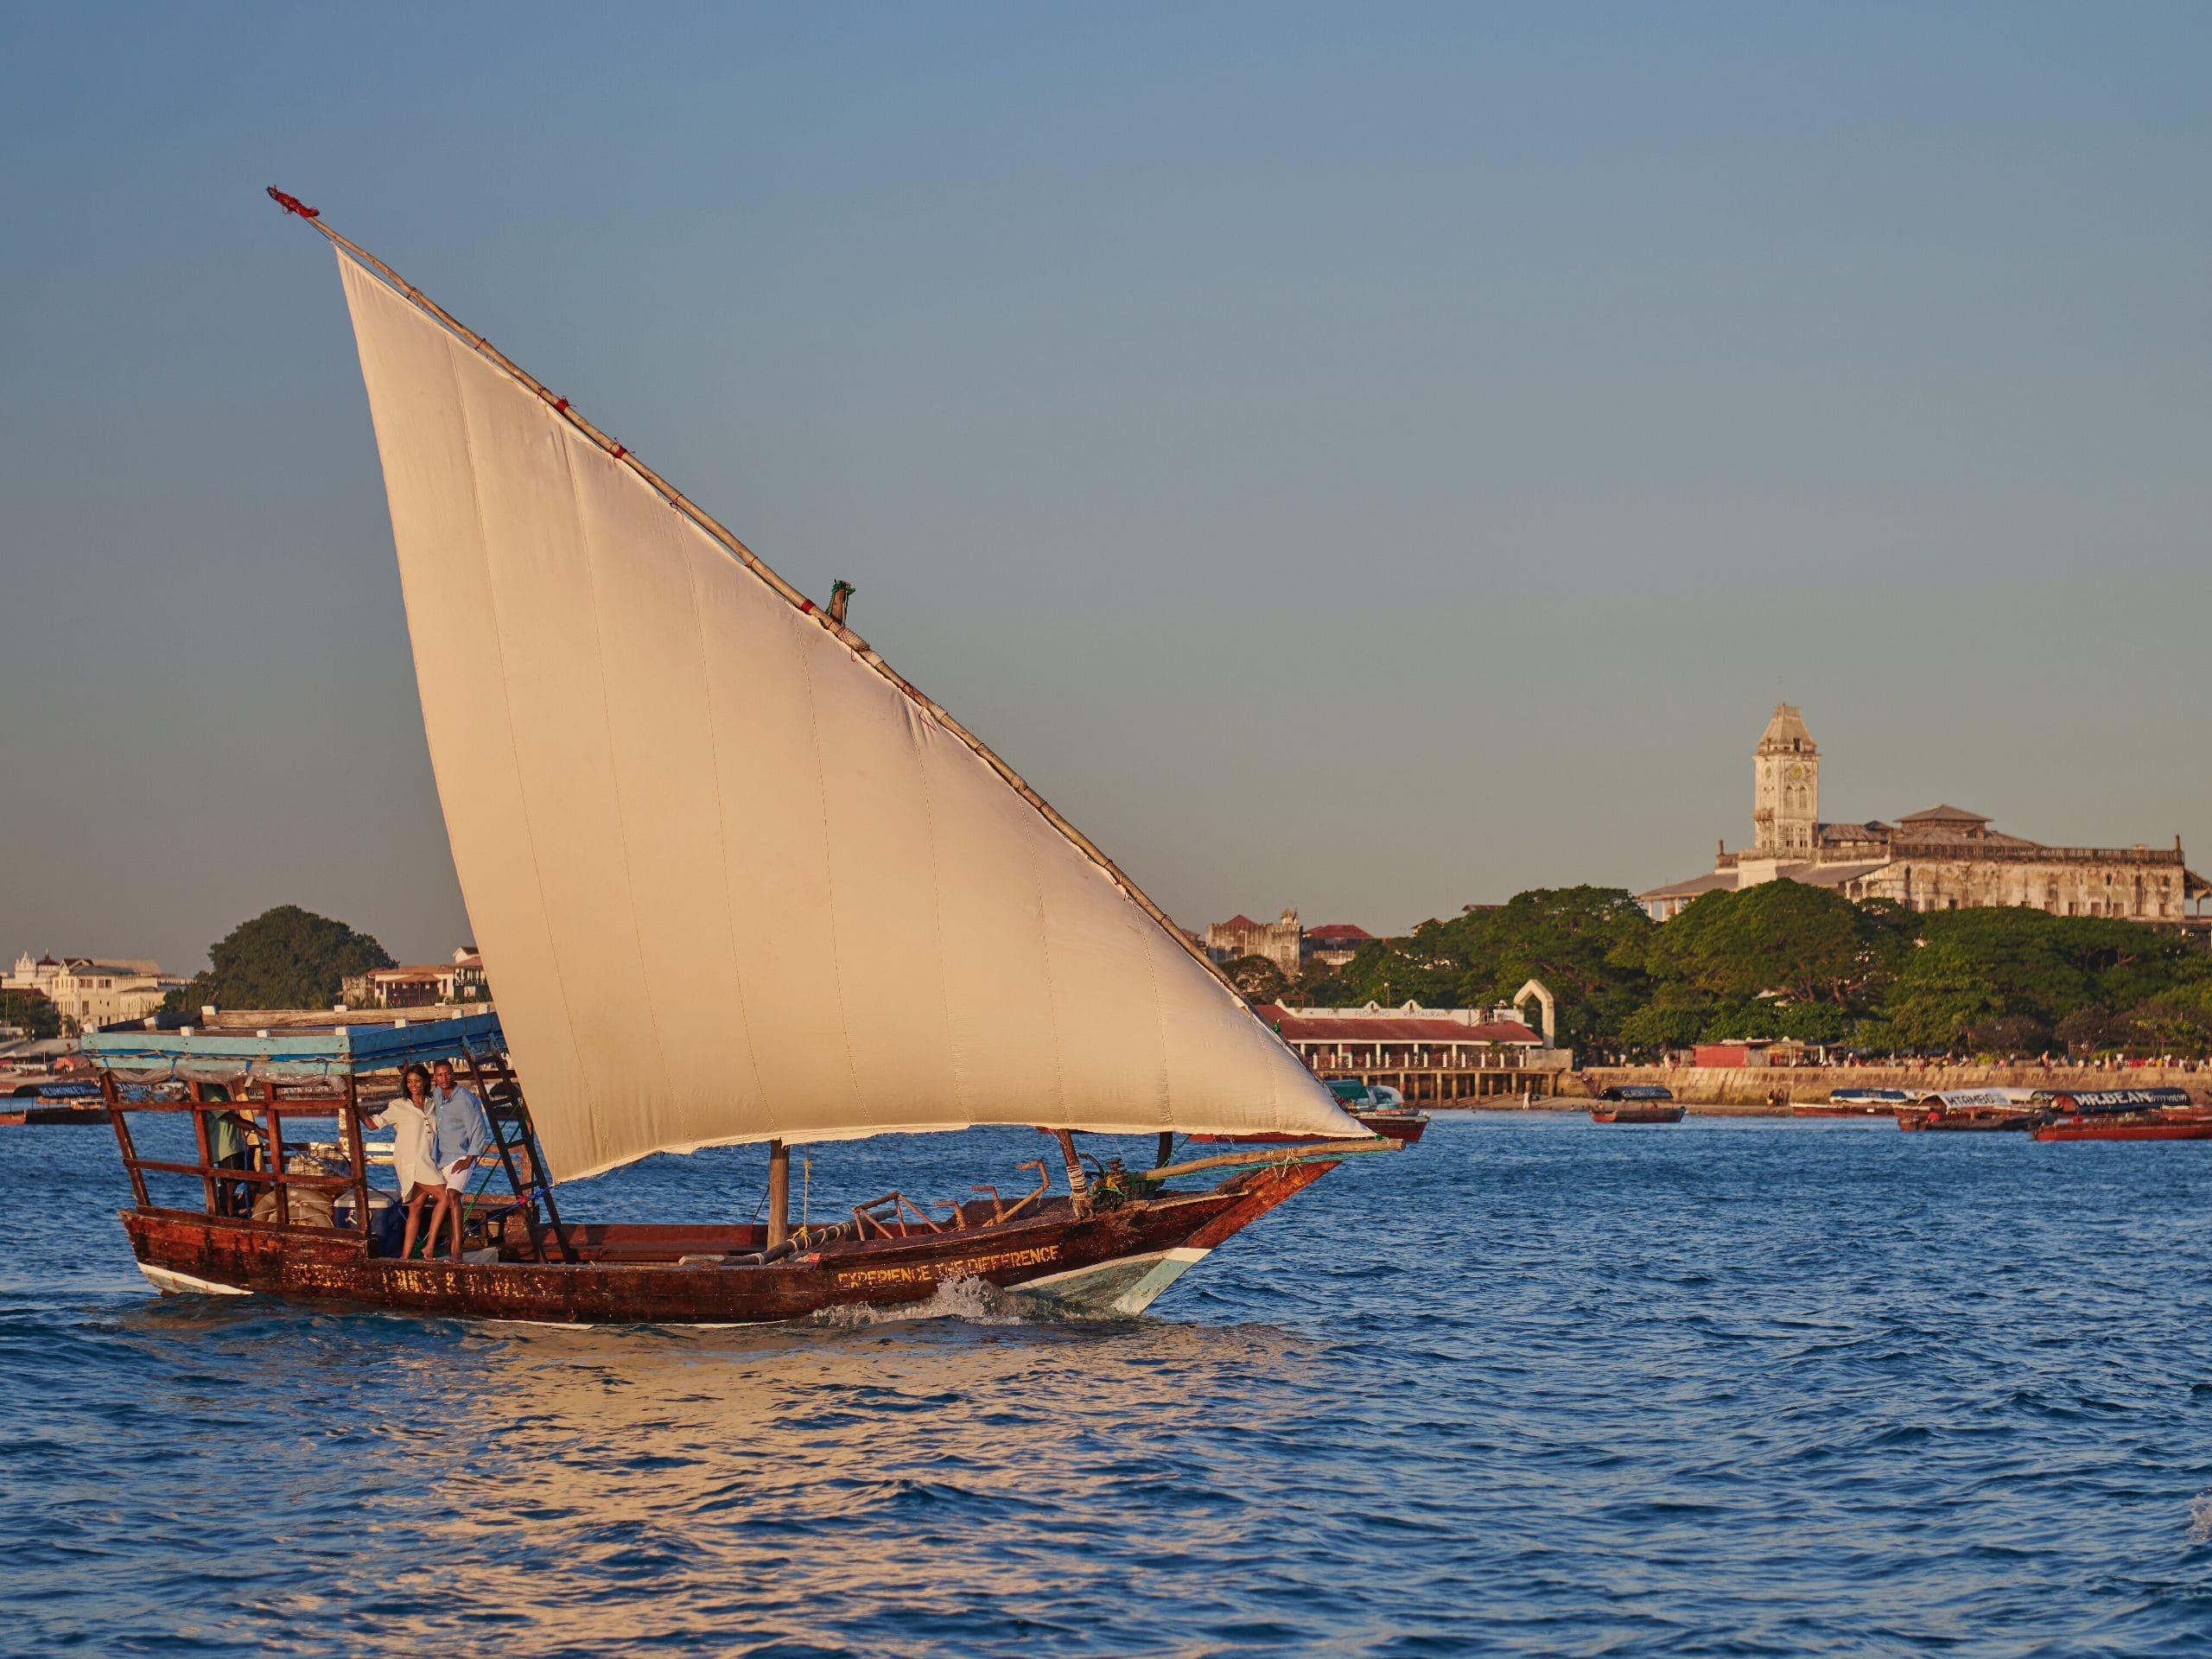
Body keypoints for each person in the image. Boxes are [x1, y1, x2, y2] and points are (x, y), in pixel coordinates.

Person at [361, 1063, 440, 1260]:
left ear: (425, 1082)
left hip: (429, 1159)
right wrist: (355, 1108)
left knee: (415, 1208)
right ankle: (429, 1248)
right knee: (447, 1197)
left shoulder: (433, 1104)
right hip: (411, 1162)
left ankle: (404, 1258)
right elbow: (372, 1125)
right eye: (410, 1082)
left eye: (417, 1081)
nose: (413, 1085)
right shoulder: (398, 1106)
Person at [425, 1058, 493, 1262]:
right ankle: (431, 1246)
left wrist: (470, 1158)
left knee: (453, 1194)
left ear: (453, 1074)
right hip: (442, 1157)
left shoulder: (465, 1099)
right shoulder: (437, 1094)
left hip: (462, 1157)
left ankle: (457, 1251)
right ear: (435, 1077)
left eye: (447, 1074)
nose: (444, 1078)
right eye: (439, 1075)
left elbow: (479, 1128)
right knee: (431, 1197)